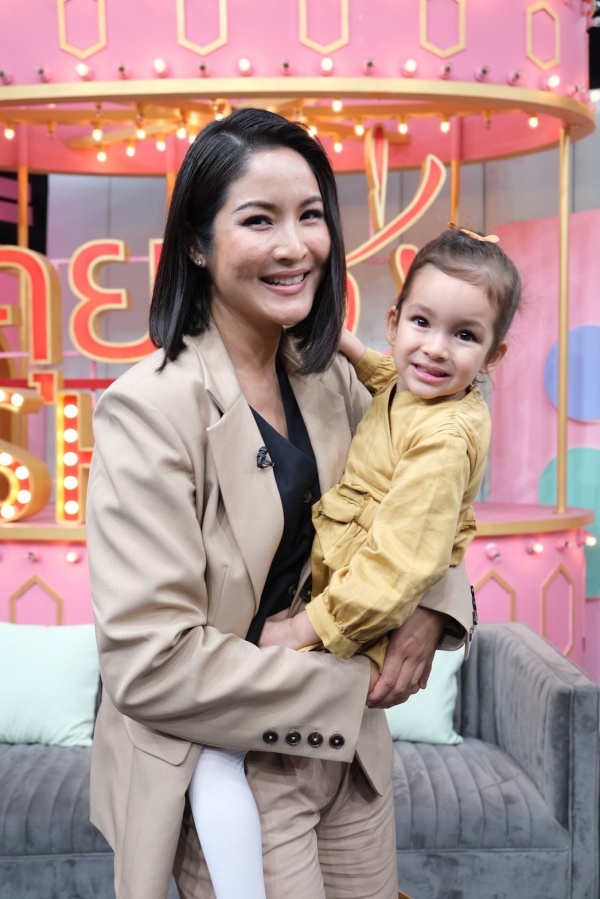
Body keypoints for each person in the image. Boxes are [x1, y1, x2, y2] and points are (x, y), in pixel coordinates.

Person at [86, 107, 474, 899]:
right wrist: (349, 686)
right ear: (197, 244)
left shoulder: (330, 376)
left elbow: (426, 496)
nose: (295, 246)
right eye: (259, 220)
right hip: (222, 763)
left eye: (311, 216)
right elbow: (150, 664)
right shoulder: (148, 409)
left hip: (349, 764)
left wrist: (436, 605)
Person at [260, 225, 521, 666]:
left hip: (356, 621)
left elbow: (400, 563)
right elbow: (390, 380)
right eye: (422, 322)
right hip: (342, 595)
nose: (435, 349)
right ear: (394, 323)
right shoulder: (424, 392)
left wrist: (299, 630)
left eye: (464, 335)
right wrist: (351, 346)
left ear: (493, 355)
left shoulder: (443, 442)